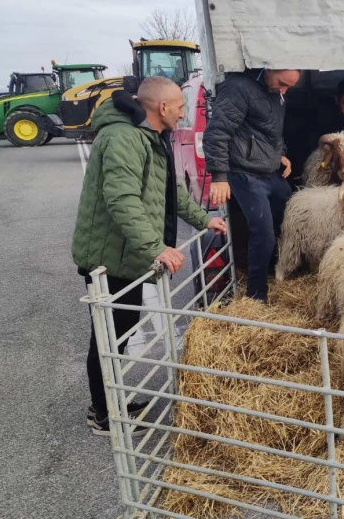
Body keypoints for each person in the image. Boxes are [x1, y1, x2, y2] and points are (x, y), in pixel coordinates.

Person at [72, 77, 227, 436]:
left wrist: (205, 220)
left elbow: (170, 191)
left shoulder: (148, 137)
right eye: (180, 106)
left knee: (121, 334)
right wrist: (155, 247)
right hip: (109, 258)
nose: (183, 112)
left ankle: (111, 402)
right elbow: (122, 200)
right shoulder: (124, 138)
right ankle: (104, 414)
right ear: (162, 108)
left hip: (128, 255)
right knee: (108, 337)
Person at [203, 68, 300, 301]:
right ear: (270, 69)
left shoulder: (277, 94)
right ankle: (256, 295)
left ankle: (277, 266)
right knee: (264, 233)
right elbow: (216, 132)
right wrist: (219, 176)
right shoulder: (238, 88)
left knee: (293, 206)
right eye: (282, 82)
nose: (284, 90)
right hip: (245, 173)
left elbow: (272, 134)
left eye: (289, 86)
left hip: (269, 171)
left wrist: (281, 155)